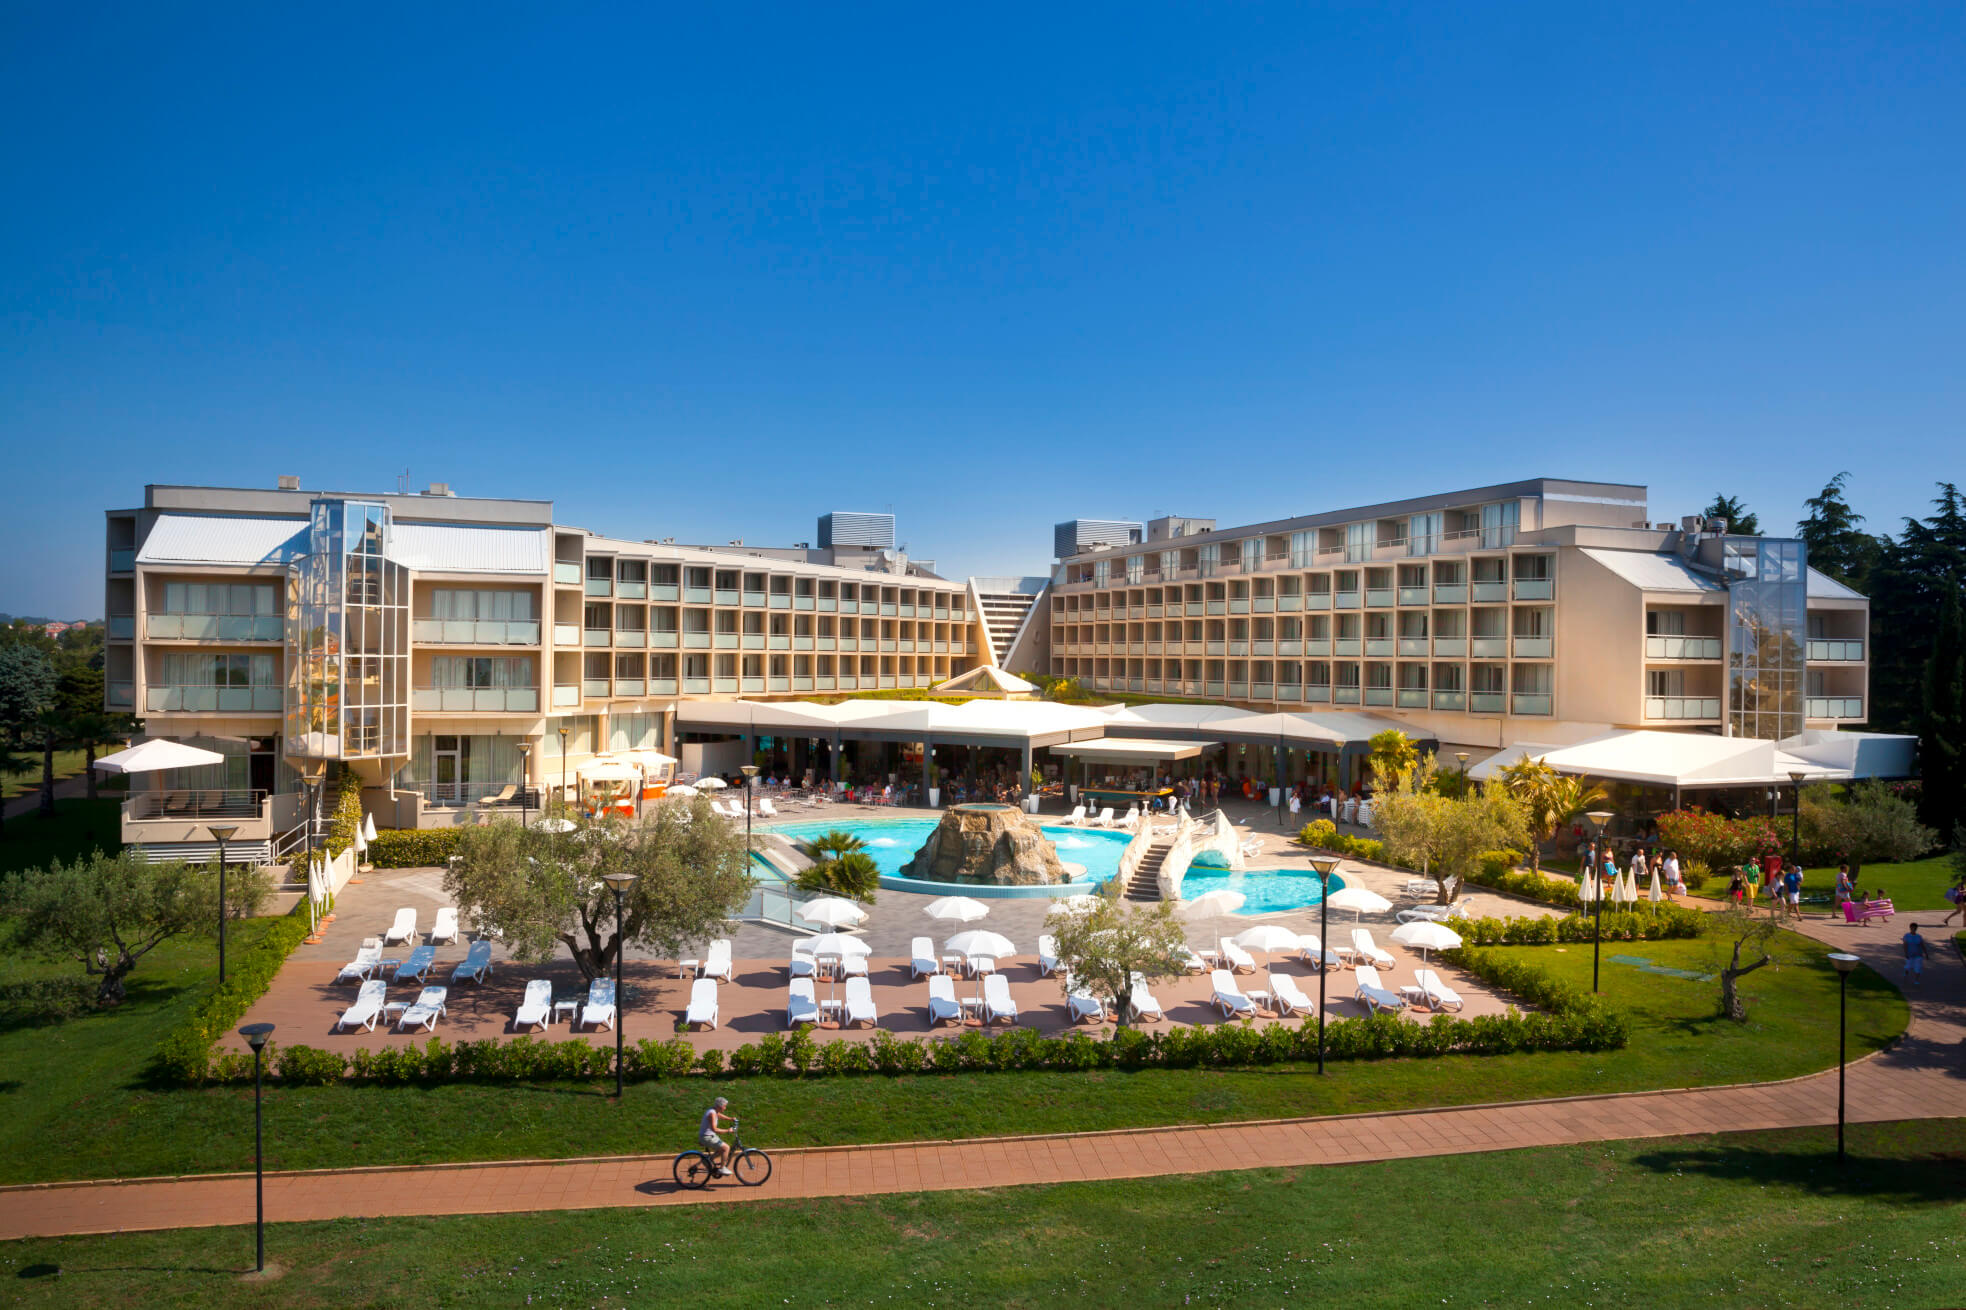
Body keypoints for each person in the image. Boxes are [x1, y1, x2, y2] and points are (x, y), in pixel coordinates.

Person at [698, 1096, 737, 1175]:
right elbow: (714, 1129)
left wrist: (730, 1119)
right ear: (719, 1106)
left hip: (710, 1136)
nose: (725, 1108)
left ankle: (708, 1160)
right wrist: (728, 1130)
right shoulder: (711, 1114)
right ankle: (722, 1169)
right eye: (724, 1106)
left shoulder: (714, 1111)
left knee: (721, 1149)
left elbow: (719, 1115)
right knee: (726, 1148)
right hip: (706, 1137)